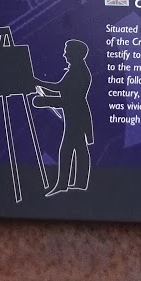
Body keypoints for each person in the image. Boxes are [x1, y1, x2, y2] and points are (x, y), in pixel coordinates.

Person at [33, 38, 93, 196]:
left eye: (67, 51)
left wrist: (45, 100)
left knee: (68, 150)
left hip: (77, 117)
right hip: (75, 116)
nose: (64, 54)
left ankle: (64, 184)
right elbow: (60, 88)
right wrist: (39, 83)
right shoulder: (75, 70)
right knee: (79, 148)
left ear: (76, 54)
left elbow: (69, 99)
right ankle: (79, 183)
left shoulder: (79, 72)